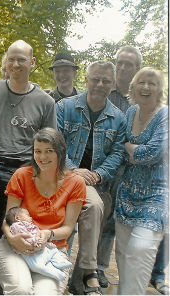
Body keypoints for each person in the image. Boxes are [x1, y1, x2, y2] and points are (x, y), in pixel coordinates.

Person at [0, 40, 56, 256]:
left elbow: (48, 147)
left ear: (32, 62)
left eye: (22, 59)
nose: (15, 64)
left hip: (20, 172)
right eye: (11, 59)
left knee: (1, 230)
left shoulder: (45, 102)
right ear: (6, 61)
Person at [56, 60, 127, 295]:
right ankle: (87, 274)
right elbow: (54, 143)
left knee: (96, 204)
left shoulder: (119, 118)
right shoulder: (64, 107)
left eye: (106, 81)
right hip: (61, 177)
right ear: (85, 80)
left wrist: (97, 175)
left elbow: (118, 154)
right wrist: (73, 170)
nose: (100, 84)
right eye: (95, 78)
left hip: (95, 183)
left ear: (113, 84)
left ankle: (81, 279)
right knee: (93, 205)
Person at [0, 127, 85, 294]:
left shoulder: (75, 183)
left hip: (51, 252)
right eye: (37, 151)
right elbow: (8, 220)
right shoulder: (22, 175)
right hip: (14, 247)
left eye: (49, 151)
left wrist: (48, 234)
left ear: (60, 152)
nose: (42, 157)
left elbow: (68, 229)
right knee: (21, 289)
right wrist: (13, 239)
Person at [114, 67, 168, 295]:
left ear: (160, 89)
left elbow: (152, 154)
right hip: (127, 192)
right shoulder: (130, 112)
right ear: (133, 87)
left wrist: (130, 149)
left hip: (156, 194)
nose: (146, 87)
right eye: (141, 82)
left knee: (141, 249)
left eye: (152, 83)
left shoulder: (165, 115)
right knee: (124, 255)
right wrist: (132, 150)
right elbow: (118, 146)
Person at [96, 45, 142, 287]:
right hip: (99, 165)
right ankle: (78, 262)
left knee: (111, 221)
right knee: (89, 214)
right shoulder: (102, 89)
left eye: (129, 64)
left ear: (137, 69)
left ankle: (99, 266)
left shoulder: (139, 99)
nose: (123, 68)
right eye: (120, 63)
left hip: (126, 171)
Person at [5, 206, 72, 281]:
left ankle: (60, 262)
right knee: (37, 266)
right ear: (17, 218)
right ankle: (57, 273)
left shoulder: (30, 225)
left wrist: (46, 242)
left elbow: (38, 233)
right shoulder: (16, 226)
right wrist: (35, 241)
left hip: (41, 247)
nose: (31, 218)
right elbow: (25, 237)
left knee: (53, 250)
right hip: (30, 253)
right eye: (27, 215)